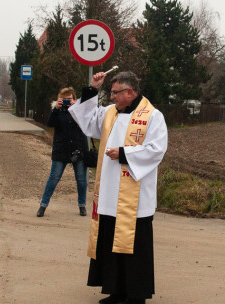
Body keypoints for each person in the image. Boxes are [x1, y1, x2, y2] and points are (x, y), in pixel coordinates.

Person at [68, 71, 168, 304]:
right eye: (110, 92)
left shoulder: (152, 116)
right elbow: (87, 120)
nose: (111, 97)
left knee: (134, 246)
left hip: (135, 196)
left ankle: (136, 295)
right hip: (110, 192)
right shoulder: (110, 113)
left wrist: (124, 153)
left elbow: (157, 149)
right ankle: (116, 291)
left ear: (130, 92)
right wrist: (93, 89)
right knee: (111, 242)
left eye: (115, 93)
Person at [36, 87, 88, 218]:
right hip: (61, 150)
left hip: (78, 150)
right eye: (64, 99)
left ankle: (82, 205)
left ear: (74, 99)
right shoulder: (57, 111)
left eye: (69, 99)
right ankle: (43, 205)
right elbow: (50, 124)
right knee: (53, 179)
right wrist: (56, 109)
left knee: (82, 180)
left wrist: (77, 108)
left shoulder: (79, 110)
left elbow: (86, 124)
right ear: (59, 100)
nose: (66, 102)